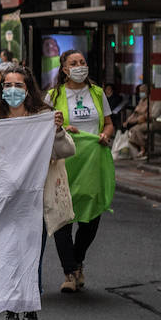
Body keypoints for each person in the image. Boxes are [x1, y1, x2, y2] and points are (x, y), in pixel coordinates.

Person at [0, 65, 74, 320]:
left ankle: (30, 306)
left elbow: (67, 150)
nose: (13, 90)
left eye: (19, 85)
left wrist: (57, 131)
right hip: (6, 200)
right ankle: (12, 309)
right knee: (9, 254)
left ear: (28, 89)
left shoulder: (43, 118)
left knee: (31, 254)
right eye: (8, 85)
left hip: (36, 200)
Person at [47, 50, 116, 293]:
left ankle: (77, 259)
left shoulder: (97, 93)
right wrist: (62, 128)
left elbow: (109, 123)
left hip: (92, 163)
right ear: (64, 69)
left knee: (90, 218)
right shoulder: (53, 95)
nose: (79, 66)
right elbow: (41, 124)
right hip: (64, 165)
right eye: (73, 63)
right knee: (62, 217)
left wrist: (106, 135)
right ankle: (70, 272)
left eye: (82, 62)